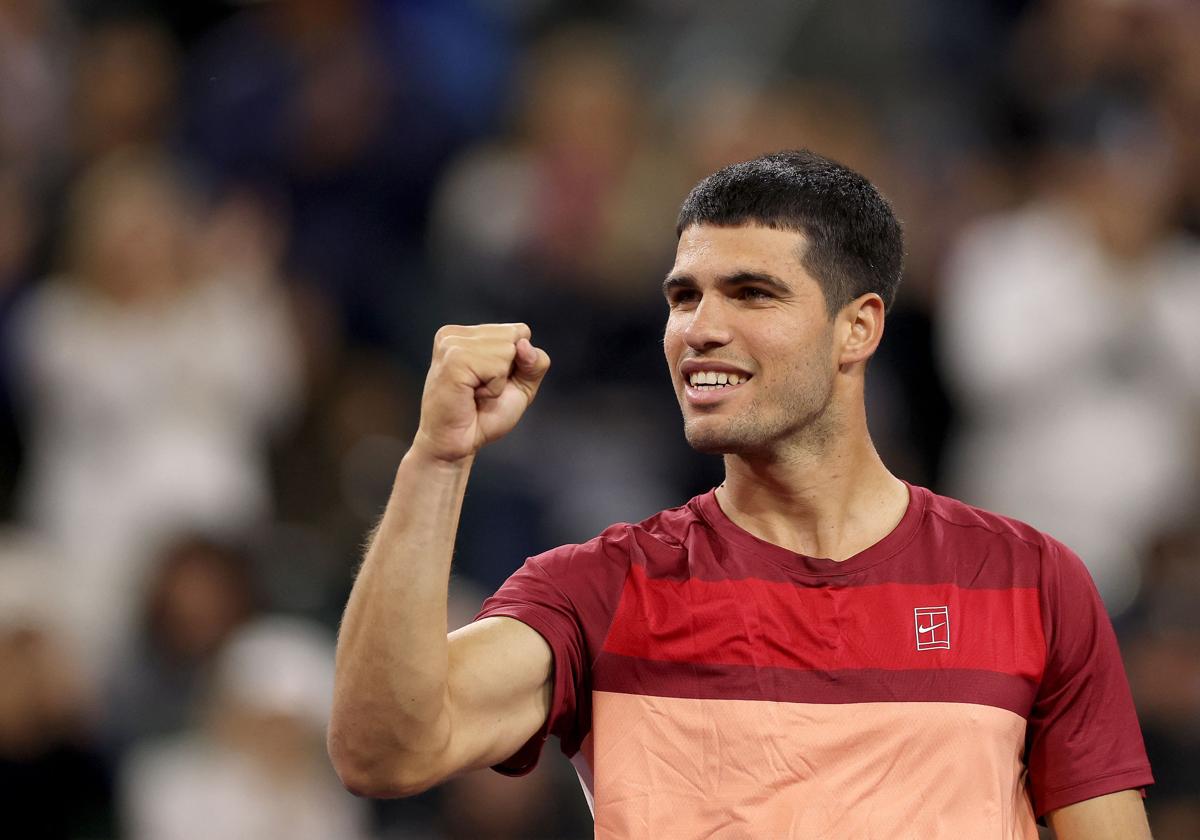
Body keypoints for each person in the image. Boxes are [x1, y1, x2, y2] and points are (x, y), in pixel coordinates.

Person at [328, 150, 1153, 838]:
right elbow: (385, 751)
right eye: (684, 296)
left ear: (857, 328)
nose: (699, 328)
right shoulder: (602, 592)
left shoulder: (1030, 582)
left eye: (751, 293)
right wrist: (437, 459)